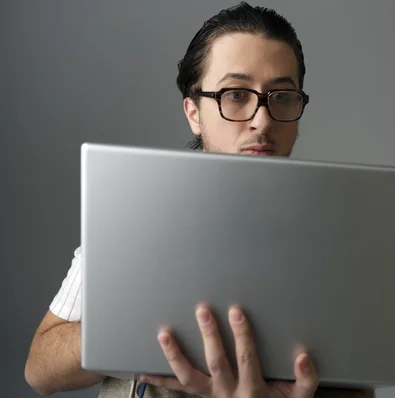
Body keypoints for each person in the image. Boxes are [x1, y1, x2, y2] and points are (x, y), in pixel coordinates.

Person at [24, 2, 375, 398]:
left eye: (282, 96)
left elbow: (359, 389)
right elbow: (40, 370)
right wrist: (143, 324)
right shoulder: (130, 216)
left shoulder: (339, 239)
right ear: (194, 112)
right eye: (236, 94)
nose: (262, 119)